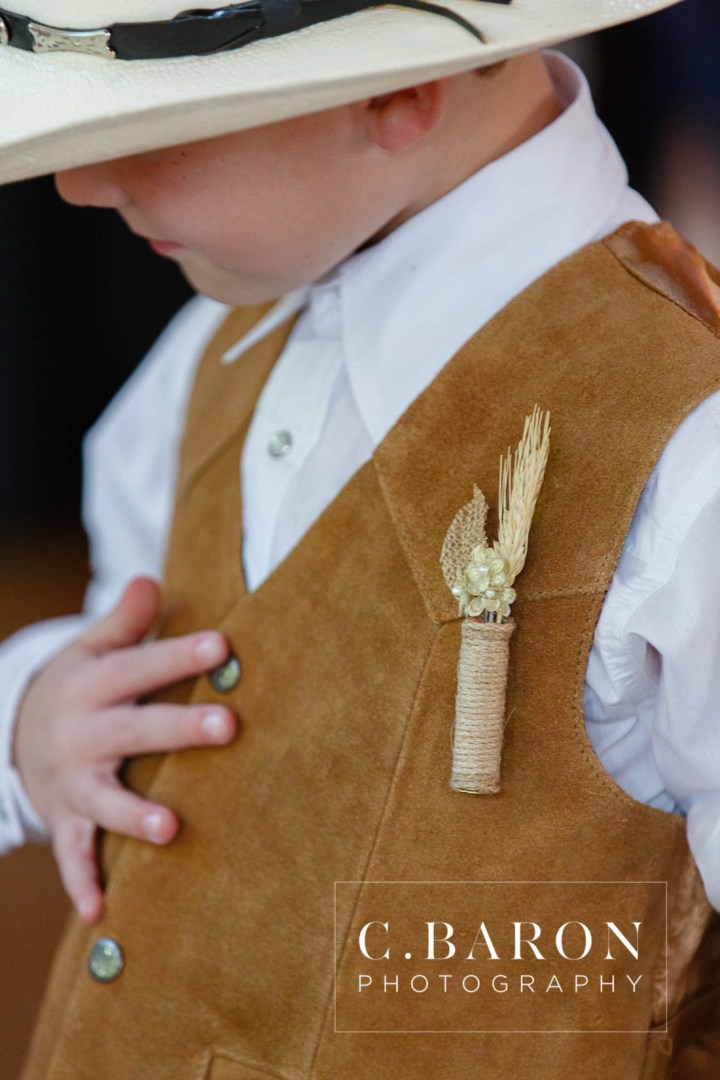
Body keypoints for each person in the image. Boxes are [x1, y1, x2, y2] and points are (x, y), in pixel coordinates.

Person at [1, 1, 719, 1076]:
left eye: (149, 127)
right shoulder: (220, 339)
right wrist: (35, 725)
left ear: (395, 93)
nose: (81, 183)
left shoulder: (688, 441)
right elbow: (136, 634)